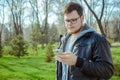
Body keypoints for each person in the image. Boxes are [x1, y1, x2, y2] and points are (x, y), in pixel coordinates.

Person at [55, 2, 114, 80]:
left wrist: (78, 62)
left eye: (74, 20)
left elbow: (107, 71)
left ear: (82, 18)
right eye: (67, 20)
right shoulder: (64, 40)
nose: (70, 24)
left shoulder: (97, 39)